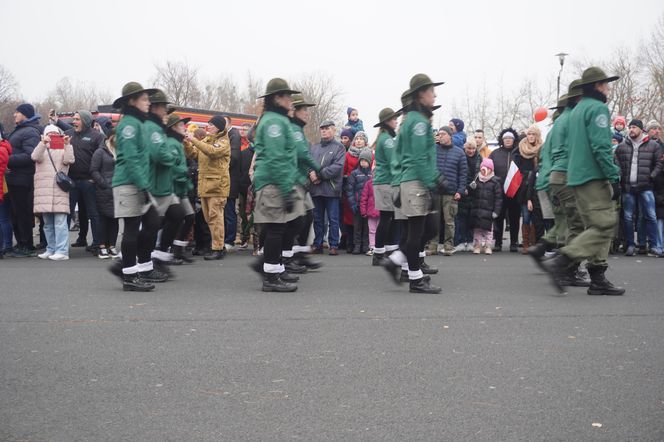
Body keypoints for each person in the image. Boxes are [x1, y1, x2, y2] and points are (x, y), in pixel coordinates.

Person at [542, 67, 625, 296]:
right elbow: (601, 147)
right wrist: (613, 175)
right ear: (597, 86)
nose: (607, 88)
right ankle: (563, 260)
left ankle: (595, 276)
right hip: (593, 176)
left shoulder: (577, 110)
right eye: (605, 84)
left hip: (575, 176)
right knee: (604, 225)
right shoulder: (597, 108)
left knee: (593, 226)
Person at [384, 74, 446, 294]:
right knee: (422, 230)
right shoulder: (418, 122)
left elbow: (399, 156)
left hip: (410, 180)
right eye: (431, 91)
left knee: (420, 230)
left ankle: (403, 267)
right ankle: (413, 278)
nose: (435, 95)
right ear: (421, 93)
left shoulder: (410, 119)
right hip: (416, 181)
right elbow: (420, 158)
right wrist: (434, 180)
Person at [530, 81, 590, 287]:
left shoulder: (556, 127)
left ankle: (543, 250)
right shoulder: (570, 122)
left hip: (549, 179)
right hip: (562, 177)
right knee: (573, 224)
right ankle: (566, 267)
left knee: (563, 222)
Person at [250, 78, 303, 292]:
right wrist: (286, 188)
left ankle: (275, 269)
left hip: (276, 180)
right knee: (275, 229)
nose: (291, 100)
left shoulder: (277, 119)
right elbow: (275, 157)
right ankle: (271, 277)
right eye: (287, 96)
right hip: (273, 181)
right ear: (276, 98)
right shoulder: (274, 122)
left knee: (279, 227)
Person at [108, 82, 162, 292]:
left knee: (152, 222)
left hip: (137, 183)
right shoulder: (129, 124)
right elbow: (131, 159)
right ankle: (129, 275)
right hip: (129, 183)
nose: (148, 103)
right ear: (132, 101)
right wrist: (144, 187)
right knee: (131, 230)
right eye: (144, 99)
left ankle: (130, 266)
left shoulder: (137, 122)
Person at [53, 110, 105, 253]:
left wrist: (95, 177)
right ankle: (75, 241)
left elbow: (101, 159)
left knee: (92, 213)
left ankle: (96, 244)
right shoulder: (68, 134)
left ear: (86, 121)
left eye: (77, 119)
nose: (74, 122)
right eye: (74, 119)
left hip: (89, 182)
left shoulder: (97, 137)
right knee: (69, 213)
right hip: (71, 182)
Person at [614, 119, 663, 256]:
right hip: (628, 188)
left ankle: (654, 246)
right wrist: (621, 176)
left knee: (651, 216)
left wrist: (651, 176)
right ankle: (630, 245)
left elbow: (659, 163)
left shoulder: (653, 145)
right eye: (630, 127)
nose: (631, 129)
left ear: (641, 129)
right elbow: (616, 162)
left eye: (634, 127)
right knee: (628, 217)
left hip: (646, 187)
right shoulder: (622, 146)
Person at [184, 115, 231, 260]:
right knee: (209, 218)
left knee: (215, 217)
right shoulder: (206, 140)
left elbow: (212, 151)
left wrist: (193, 139)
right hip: (205, 185)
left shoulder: (223, 141)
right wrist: (186, 142)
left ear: (218, 127)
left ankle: (218, 248)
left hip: (217, 185)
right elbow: (193, 153)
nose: (208, 127)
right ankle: (217, 245)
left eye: (211, 124)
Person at [286, 93, 322, 271]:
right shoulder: (294, 130)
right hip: (293, 180)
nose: (307, 113)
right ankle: (288, 256)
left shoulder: (298, 129)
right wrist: (318, 168)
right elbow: (302, 154)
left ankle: (300, 254)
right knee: (297, 220)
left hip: (300, 179)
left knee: (307, 217)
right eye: (304, 110)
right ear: (295, 112)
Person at [31, 125, 75, 260]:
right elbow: (34, 156)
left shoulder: (64, 149)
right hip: (44, 192)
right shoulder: (42, 148)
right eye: (49, 133)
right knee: (48, 224)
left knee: (60, 223)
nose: (52, 136)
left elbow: (70, 160)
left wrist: (67, 145)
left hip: (59, 190)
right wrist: (42, 143)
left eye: (55, 133)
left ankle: (62, 251)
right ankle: (51, 248)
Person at [6, 103, 41, 257]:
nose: (14, 115)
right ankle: (20, 243)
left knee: (22, 213)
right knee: (15, 213)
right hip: (13, 179)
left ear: (25, 114)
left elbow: (30, 156)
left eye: (17, 112)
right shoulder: (19, 130)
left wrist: (6, 160)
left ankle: (27, 245)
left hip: (23, 180)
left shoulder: (29, 132)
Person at [370, 107, 401, 265]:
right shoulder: (387, 139)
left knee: (389, 218)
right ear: (388, 121)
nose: (396, 121)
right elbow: (393, 161)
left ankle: (386, 250)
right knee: (386, 218)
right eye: (394, 119)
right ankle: (379, 253)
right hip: (385, 183)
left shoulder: (386, 137)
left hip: (385, 182)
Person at [163, 113, 195, 264]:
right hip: (172, 188)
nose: (185, 127)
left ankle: (177, 249)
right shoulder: (171, 143)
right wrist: (186, 172)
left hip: (180, 188)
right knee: (172, 219)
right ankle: (164, 250)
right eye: (182, 125)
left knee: (189, 217)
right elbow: (171, 167)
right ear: (174, 127)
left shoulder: (179, 143)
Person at [310, 120, 346, 255]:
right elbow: (309, 163)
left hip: (331, 189)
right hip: (316, 189)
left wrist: (319, 175)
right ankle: (317, 244)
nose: (324, 131)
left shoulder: (339, 147)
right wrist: (311, 173)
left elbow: (337, 167)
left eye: (327, 128)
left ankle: (333, 245)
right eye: (322, 129)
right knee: (318, 218)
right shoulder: (314, 147)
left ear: (333, 130)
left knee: (333, 219)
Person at [434, 126, 467, 255]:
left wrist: (460, 190)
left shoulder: (459, 152)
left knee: (449, 221)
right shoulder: (433, 150)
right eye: (438, 134)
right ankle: (432, 246)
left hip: (451, 192)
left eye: (442, 134)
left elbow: (463, 174)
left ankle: (448, 246)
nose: (440, 136)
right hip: (435, 191)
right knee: (433, 220)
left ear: (450, 136)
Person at [489, 128, 521, 252]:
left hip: (515, 191)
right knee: (498, 217)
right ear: (502, 140)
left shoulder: (519, 153)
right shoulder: (495, 153)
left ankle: (514, 242)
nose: (508, 140)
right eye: (506, 138)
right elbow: (489, 169)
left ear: (514, 140)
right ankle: (498, 242)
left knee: (514, 218)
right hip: (499, 191)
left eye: (510, 138)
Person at [90, 130, 119, 259]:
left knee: (115, 219)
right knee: (103, 219)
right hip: (104, 190)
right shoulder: (100, 152)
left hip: (118, 189)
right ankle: (102, 246)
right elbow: (94, 170)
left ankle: (112, 245)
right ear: (111, 137)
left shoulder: (120, 151)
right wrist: (104, 184)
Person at [514, 124, 543, 253]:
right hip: (524, 188)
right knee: (526, 216)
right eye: (529, 134)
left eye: (533, 134)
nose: (531, 137)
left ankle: (534, 242)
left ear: (537, 136)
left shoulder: (542, 149)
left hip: (538, 186)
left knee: (536, 217)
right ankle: (526, 243)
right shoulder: (520, 150)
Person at [342, 131, 370, 252]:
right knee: (350, 218)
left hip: (366, 190)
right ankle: (351, 243)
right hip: (352, 188)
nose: (358, 141)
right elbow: (344, 169)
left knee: (365, 222)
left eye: (361, 139)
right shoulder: (348, 154)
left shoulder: (369, 154)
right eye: (357, 139)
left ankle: (364, 244)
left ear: (365, 141)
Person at [470, 158, 502, 254]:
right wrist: (471, 188)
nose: (485, 170)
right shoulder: (476, 179)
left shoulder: (495, 182)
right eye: (483, 168)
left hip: (489, 210)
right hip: (477, 209)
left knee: (489, 231)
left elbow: (498, 198)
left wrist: (496, 211)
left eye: (487, 168)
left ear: (491, 170)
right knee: (477, 230)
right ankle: (477, 246)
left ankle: (488, 246)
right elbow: (472, 195)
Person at [455, 137, 482, 251]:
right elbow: (458, 174)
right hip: (462, 191)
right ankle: (460, 241)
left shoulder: (480, 158)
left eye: (473, 148)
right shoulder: (460, 157)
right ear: (465, 148)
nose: (471, 151)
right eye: (468, 148)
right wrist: (463, 188)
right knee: (461, 218)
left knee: (472, 218)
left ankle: (470, 241)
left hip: (475, 191)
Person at [346, 148, 373, 254]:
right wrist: (352, 203)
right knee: (357, 226)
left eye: (365, 161)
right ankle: (357, 245)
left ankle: (365, 246)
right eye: (361, 160)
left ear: (369, 162)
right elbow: (350, 189)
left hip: (368, 206)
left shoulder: (372, 174)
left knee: (367, 227)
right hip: (357, 204)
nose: (363, 163)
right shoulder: (355, 174)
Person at [223, 115, 242, 251]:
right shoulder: (225, 135)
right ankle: (225, 238)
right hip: (225, 179)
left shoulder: (233, 135)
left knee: (229, 211)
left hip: (230, 180)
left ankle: (230, 240)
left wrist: (221, 167)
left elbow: (234, 157)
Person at [237, 123, 254, 250]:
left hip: (258, 189)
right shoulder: (244, 153)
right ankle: (244, 238)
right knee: (243, 215)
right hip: (244, 189)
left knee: (257, 216)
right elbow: (240, 172)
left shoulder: (263, 153)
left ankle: (258, 241)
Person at [0, 126, 12, 258]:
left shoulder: (2, 149)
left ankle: (6, 245)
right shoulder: (5, 147)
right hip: (4, 186)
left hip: (3, 188)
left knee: (3, 219)